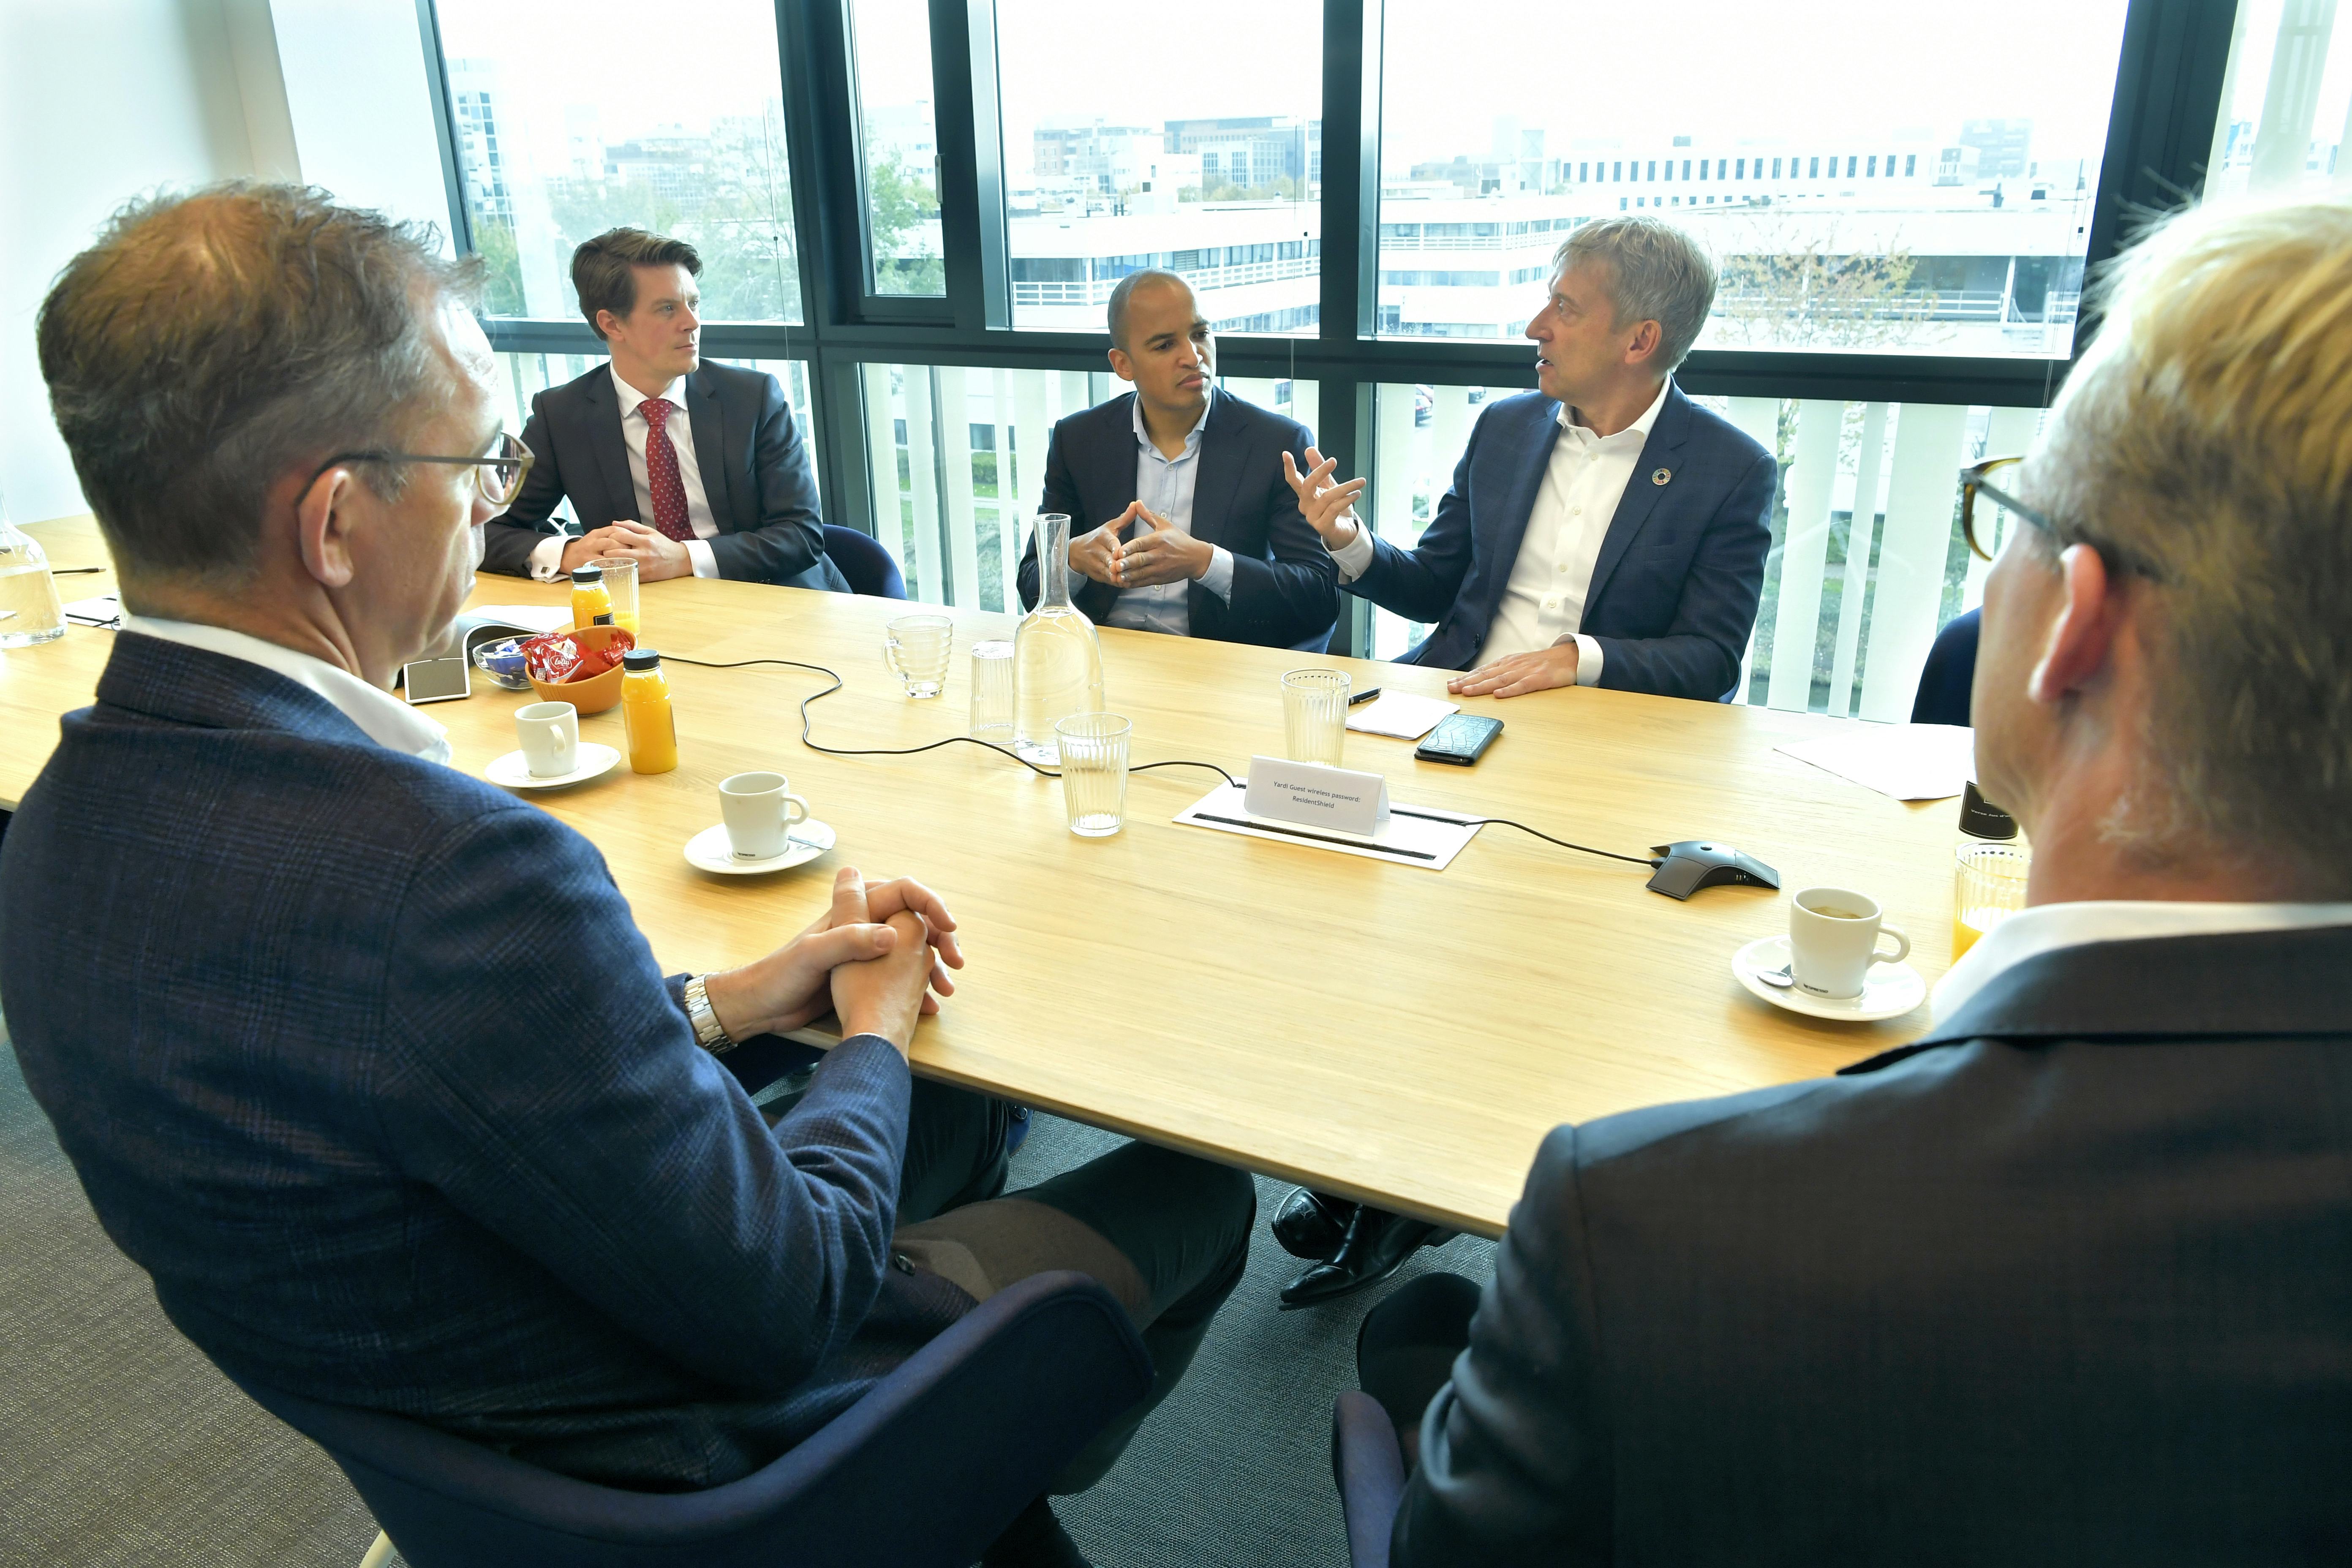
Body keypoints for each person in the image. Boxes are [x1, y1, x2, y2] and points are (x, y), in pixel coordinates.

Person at [3, 184, 1252, 1568]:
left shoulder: (54, 835)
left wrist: (731, 998)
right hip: (725, 1465)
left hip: (473, 1429)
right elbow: (791, 1300)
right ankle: (983, 1460)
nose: (492, 502)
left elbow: (421, 1054)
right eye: (473, 466)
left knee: (944, 1128)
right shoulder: (459, 876)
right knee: (1191, 1193)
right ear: (337, 524)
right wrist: (878, 1024)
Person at [1350, 196, 2352, 1563]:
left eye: (2001, 516)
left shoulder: (1642, 1223)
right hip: (1459, 740)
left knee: (1407, 1340)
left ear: (2075, 622)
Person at [1267, 217, 1777, 1309]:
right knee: (1343, 916)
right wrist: (1346, 543)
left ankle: (1428, 1197)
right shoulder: (1505, 429)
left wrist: (1576, 660)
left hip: (1595, 748)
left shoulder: (1733, 471)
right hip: (1447, 709)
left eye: (1564, 308)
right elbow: (1438, 584)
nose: (1534, 326)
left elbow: (1711, 657)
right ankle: (1368, 1170)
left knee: (1511, 973)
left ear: (1640, 338)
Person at [477, 226, 851, 592]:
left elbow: (800, 535)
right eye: (668, 309)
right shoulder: (560, 414)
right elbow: (485, 527)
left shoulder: (753, 398)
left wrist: (683, 558)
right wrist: (569, 553)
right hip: (650, 613)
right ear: (612, 324)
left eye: (694, 303)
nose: (692, 322)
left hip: (773, 597)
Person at [1014, 270, 1337, 651]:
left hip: (1214, 665)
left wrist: (1205, 562)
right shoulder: (1079, 439)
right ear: (1123, 365)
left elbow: (1318, 596)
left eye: (1200, 334)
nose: (1193, 356)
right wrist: (1072, 560)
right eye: (1165, 345)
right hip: (1104, 654)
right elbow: (1032, 582)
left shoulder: (1277, 443)